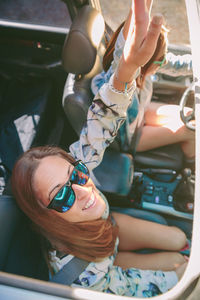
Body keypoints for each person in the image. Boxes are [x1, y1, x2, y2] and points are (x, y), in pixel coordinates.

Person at [11, 0, 189, 297]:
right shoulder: (80, 276)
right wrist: (177, 279)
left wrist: (128, 67)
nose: (85, 190)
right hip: (101, 266)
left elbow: (102, 120)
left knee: (177, 237)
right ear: (45, 215)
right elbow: (123, 286)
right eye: (62, 196)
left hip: (109, 232)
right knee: (179, 264)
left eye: (76, 175)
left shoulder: (80, 167)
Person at [91, 2, 194, 160]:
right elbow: (121, 57)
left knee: (190, 115)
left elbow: (178, 64)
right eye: (160, 60)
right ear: (144, 60)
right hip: (130, 137)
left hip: (141, 114)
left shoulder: (147, 68)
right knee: (192, 129)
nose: (165, 62)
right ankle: (190, 164)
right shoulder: (118, 84)